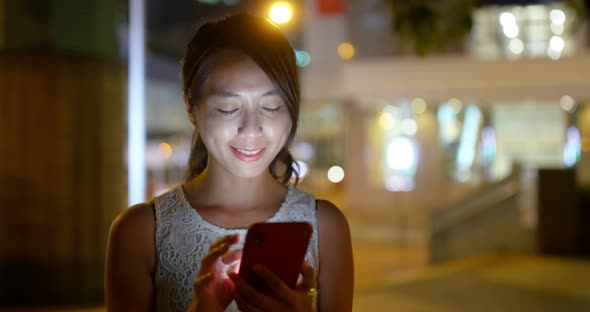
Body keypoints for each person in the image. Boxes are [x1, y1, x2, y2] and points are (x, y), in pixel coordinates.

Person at [105, 13, 353, 312]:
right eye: (227, 108)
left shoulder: (325, 226)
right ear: (190, 108)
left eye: (271, 106)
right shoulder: (141, 232)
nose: (251, 129)